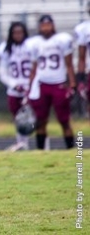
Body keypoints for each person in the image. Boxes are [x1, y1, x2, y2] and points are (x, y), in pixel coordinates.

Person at [28, 14, 76, 150]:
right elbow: (34, 67)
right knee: (40, 120)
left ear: (53, 25)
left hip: (59, 84)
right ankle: (40, 150)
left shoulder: (61, 40)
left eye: (48, 24)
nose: (45, 28)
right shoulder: (35, 43)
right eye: (43, 25)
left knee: (64, 120)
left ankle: (71, 149)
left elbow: (69, 64)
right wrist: (30, 86)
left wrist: (72, 82)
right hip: (42, 85)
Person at [0, 21, 33, 151]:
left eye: (20, 32)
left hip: (30, 88)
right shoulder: (6, 49)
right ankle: (22, 144)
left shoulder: (30, 46)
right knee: (18, 119)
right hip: (14, 90)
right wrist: (14, 84)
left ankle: (42, 147)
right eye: (15, 33)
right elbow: (3, 73)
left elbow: (37, 68)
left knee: (36, 119)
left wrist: (30, 85)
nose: (18, 35)